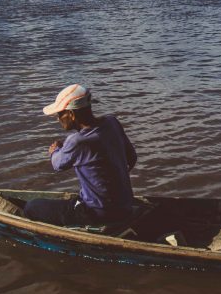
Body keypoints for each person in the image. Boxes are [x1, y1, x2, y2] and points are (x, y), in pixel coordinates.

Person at [23, 84, 138, 226]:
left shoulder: (77, 141)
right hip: (125, 205)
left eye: (60, 114)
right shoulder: (112, 123)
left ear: (71, 115)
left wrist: (55, 150)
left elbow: (57, 164)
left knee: (32, 207)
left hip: (97, 214)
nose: (58, 119)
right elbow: (132, 159)